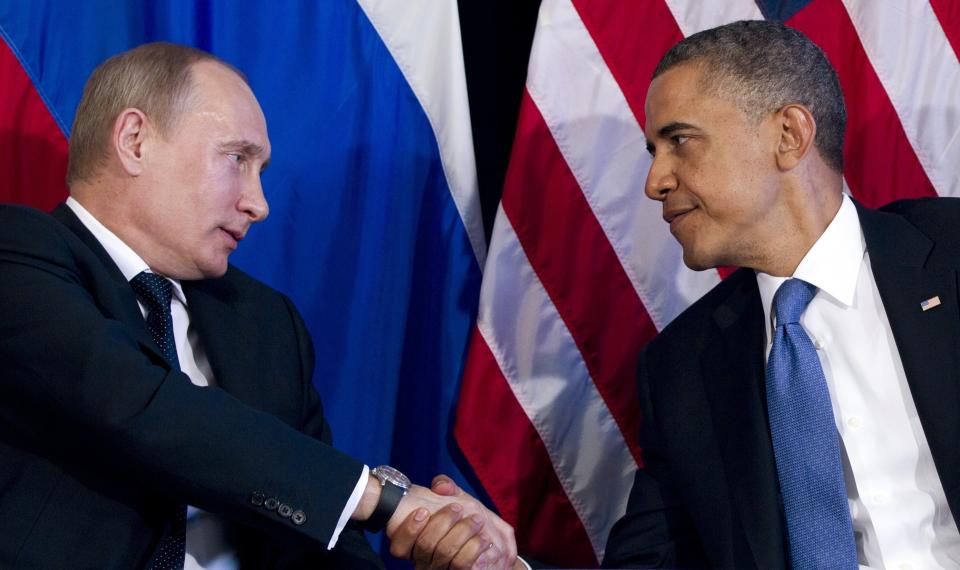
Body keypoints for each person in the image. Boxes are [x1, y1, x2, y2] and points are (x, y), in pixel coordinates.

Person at [0, 42, 518, 569]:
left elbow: (328, 545)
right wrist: (385, 500)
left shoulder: (265, 322)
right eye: (237, 159)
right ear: (135, 141)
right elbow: (143, 407)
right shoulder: (15, 256)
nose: (259, 203)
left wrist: (454, 549)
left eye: (261, 169)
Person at [603, 20, 960, 569]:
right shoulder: (680, 370)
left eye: (679, 141)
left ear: (789, 135)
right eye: (654, 150)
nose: (655, 181)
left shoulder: (951, 252)